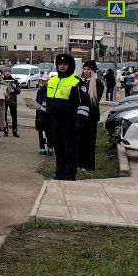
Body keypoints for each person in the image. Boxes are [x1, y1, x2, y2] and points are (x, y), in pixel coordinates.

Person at [36, 53, 90, 181]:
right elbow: (46, 101)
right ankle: (59, 173)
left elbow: (84, 103)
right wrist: (42, 118)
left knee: (70, 150)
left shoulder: (77, 81)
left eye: (65, 64)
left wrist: (80, 121)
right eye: (60, 64)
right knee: (58, 149)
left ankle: (69, 175)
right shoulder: (52, 80)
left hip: (70, 122)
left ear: (70, 66)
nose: (62, 67)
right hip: (54, 121)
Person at [76, 60, 103, 172]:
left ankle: (89, 166)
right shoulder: (80, 82)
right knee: (79, 141)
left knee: (90, 142)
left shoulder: (97, 84)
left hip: (91, 117)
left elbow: (94, 102)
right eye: (85, 69)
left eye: (88, 69)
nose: (86, 71)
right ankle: (79, 163)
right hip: (81, 117)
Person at [4, 72, 20, 137]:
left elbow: (18, 91)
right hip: (4, 100)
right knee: (4, 116)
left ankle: (15, 130)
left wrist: (15, 87)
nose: (7, 73)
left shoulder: (14, 81)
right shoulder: (2, 80)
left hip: (12, 100)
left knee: (14, 116)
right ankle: (5, 130)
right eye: (6, 71)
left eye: (8, 71)